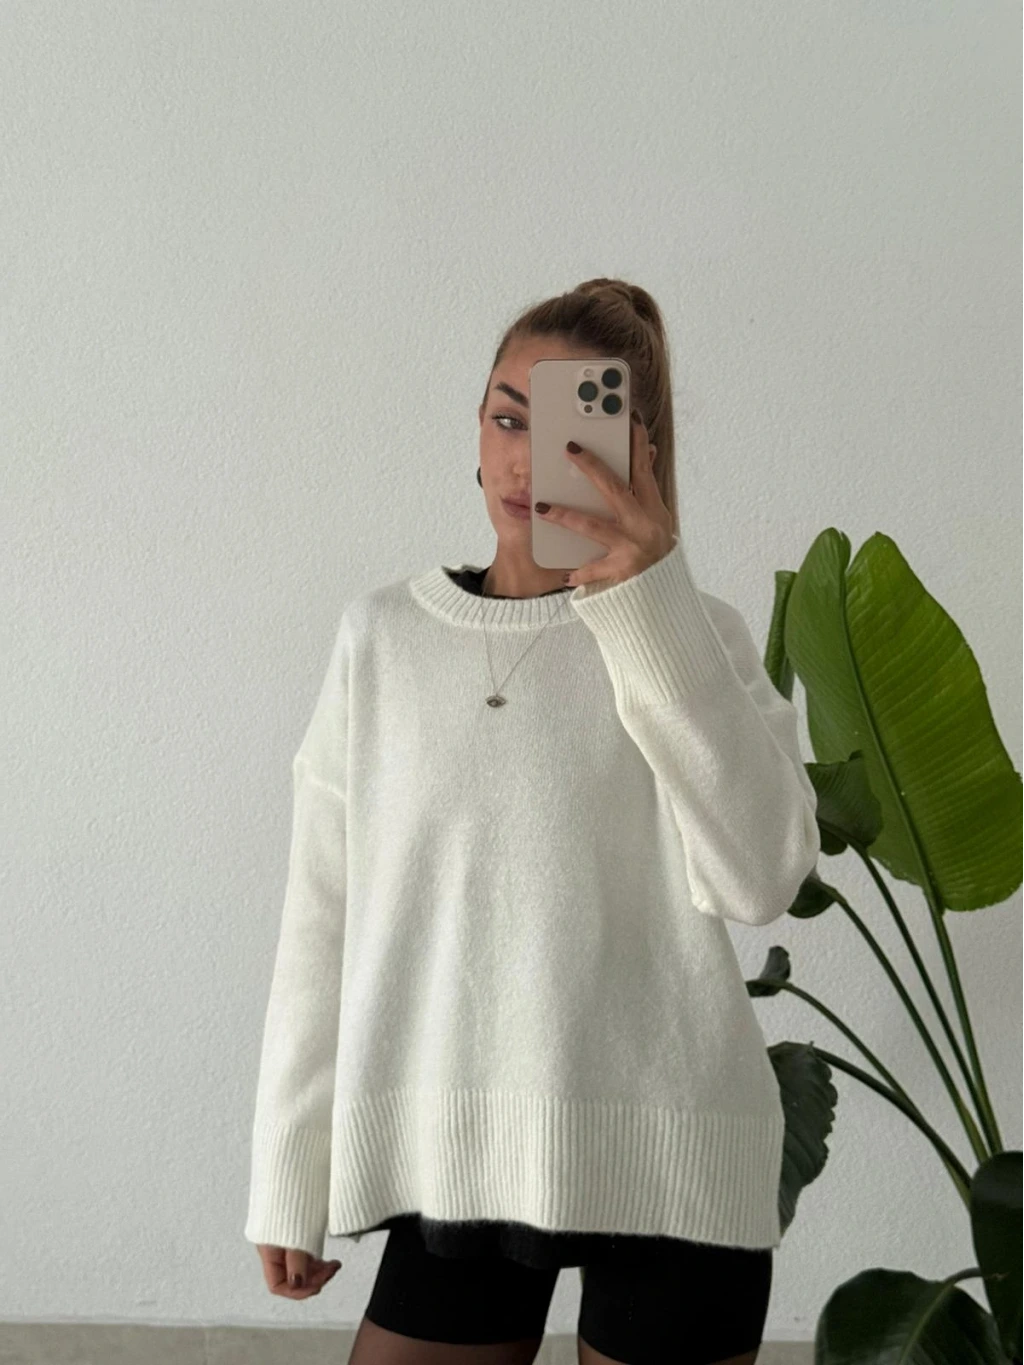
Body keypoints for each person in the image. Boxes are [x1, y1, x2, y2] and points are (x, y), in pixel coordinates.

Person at [245, 278, 821, 1364]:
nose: (526, 458)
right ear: (474, 432)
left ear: (638, 454)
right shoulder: (383, 638)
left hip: (674, 1156)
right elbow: (322, 914)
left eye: (570, 431)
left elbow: (763, 878)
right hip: (454, 1153)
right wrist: (291, 1166)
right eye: (508, 418)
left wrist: (647, 600)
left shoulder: (695, 634)